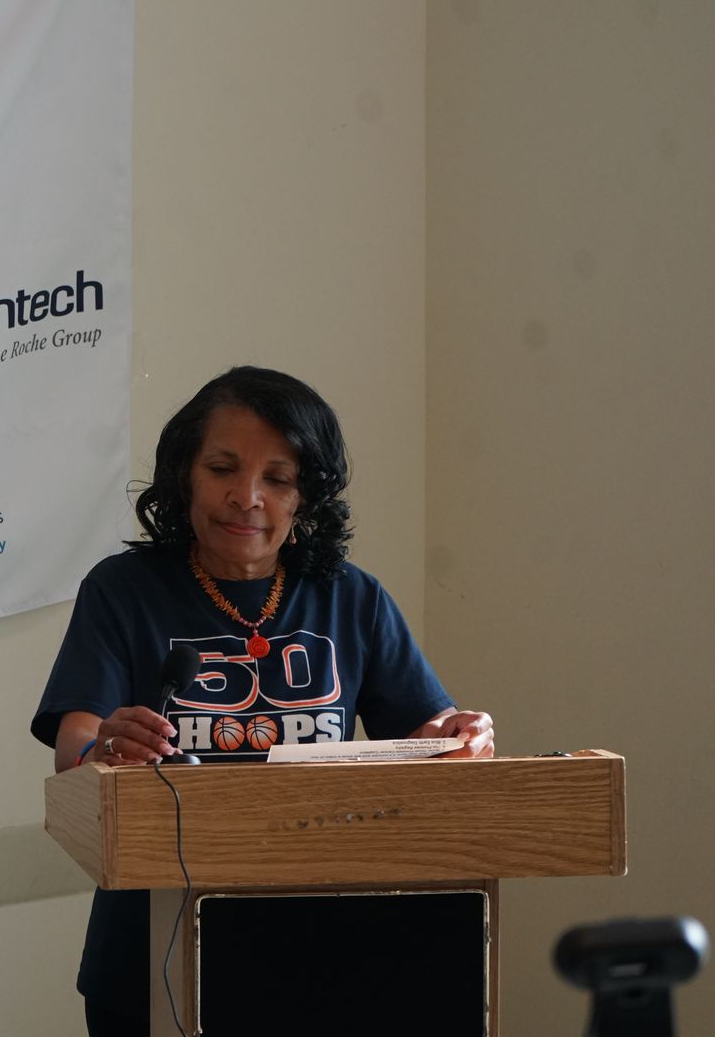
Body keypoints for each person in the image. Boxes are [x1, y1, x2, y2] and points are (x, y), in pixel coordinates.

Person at [31, 367, 494, 1035]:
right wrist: (102, 749)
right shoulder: (122, 590)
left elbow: (425, 738)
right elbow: (73, 750)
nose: (245, 497)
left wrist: (460, 737)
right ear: (184, 474)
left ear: (306, 496)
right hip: (151, 956)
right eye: (222, 467)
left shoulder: (351, 597)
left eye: (277, 479)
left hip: (328, 955)